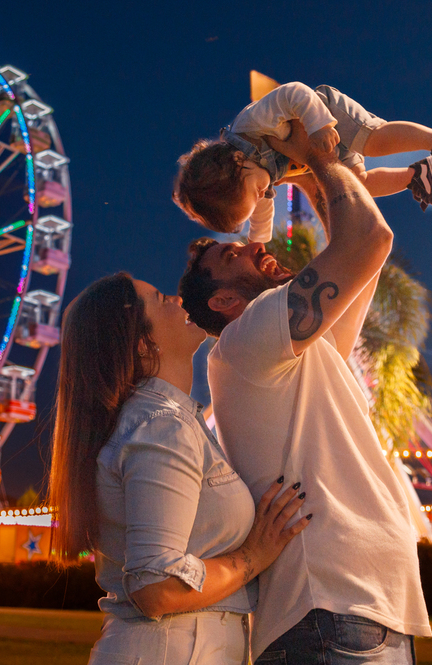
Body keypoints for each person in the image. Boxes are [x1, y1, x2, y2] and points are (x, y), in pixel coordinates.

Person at [179, 121, 431, 663]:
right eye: (232, 257)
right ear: (223, 302)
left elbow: (361, 246)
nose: (254, 246)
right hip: (330, 608)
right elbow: (369, 240)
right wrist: (317, 155)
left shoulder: (295, 350)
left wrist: (307, 173)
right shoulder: (247, 341)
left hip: (358, 607)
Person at [49, 272, 309, 664]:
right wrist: (254, 556)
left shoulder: (161, 422)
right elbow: (156, 586)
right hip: (176, 648)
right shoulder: (160, 427)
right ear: (143, 343)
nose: (177, 299)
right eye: (160, 298)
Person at [173, 82, 432, 236]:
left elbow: (292, 93)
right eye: (256, 199)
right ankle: (416, 176)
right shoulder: (253, 177)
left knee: (373, 140)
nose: (264, 194)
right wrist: (258, 242)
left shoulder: (250, 124)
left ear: (237, 161)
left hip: (326, 116)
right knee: (359, 185)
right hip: (320, 151)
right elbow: (261, 213)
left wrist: (318, 125)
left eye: (256, 192)